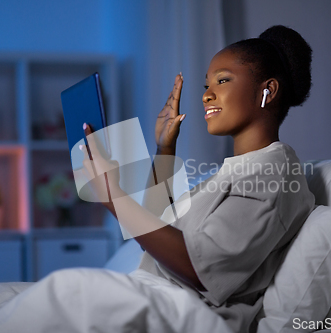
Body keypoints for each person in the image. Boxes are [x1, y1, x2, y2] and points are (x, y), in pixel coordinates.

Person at [82, 25, 315, 332]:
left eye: (222, 80)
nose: (207, 95)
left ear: (267, 91)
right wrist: (165, 148)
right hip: (154, 299)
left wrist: (114, 196)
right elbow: (157, 233)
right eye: (206, 85)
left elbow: (198, 267)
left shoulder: (272, 174)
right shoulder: (236, 170)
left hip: (183, 317)